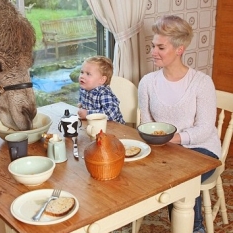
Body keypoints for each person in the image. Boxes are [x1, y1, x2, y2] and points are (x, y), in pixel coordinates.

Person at [138, 15, 221, 233]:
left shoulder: (201, 83)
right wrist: (162, 143)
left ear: (179, 49)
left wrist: (172, 139)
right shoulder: (147, 82)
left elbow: (204, 129)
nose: (153, 51)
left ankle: (195, 228)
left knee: (181, 177)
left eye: (160, 47)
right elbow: (146, 125)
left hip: (201, 150)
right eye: (153, 45)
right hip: (165, 151)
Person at [77, 56, 125, 124]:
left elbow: (111, 114)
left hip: (113, 127)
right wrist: (81, 105)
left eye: (88, 74)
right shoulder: (84, 88)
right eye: (82, 72)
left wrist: (88, 113)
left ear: (102, 80)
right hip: (95, 125)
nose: (82, 76)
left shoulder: (104, 93)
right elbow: (82, 102)